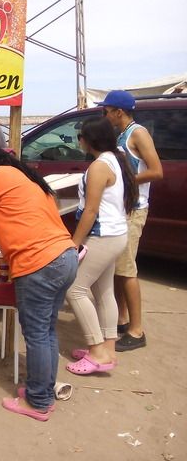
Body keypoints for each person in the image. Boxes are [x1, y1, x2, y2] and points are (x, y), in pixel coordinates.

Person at [0, 145, 77, 421]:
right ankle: (41, 390)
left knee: (36, 334)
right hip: (65, 256)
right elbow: (18, 217)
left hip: (38, 263)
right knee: (47, 331)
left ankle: (38, 402)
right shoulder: (19, 176)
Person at [64, 117, 138, 376]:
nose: (79, 140)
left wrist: (75, 243)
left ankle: (97, 351)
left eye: (80, 137)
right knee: (103, 291)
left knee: (75, 290)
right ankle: (108, 349)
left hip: (102, 236)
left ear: (88, 141)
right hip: (115, 235)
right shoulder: (115, 160)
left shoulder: (98, 167)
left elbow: (91, 210)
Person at [97, 90, 163, 352]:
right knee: (118, 268)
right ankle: (123, 319)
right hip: (122, 208)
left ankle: (137, 330)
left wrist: (124, 181)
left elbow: (157, 171)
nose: (105, 115)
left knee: (127, 270)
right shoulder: (121, 134)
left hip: (134, 210)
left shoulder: (138, 133)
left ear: (118, 112)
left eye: (106, 111)